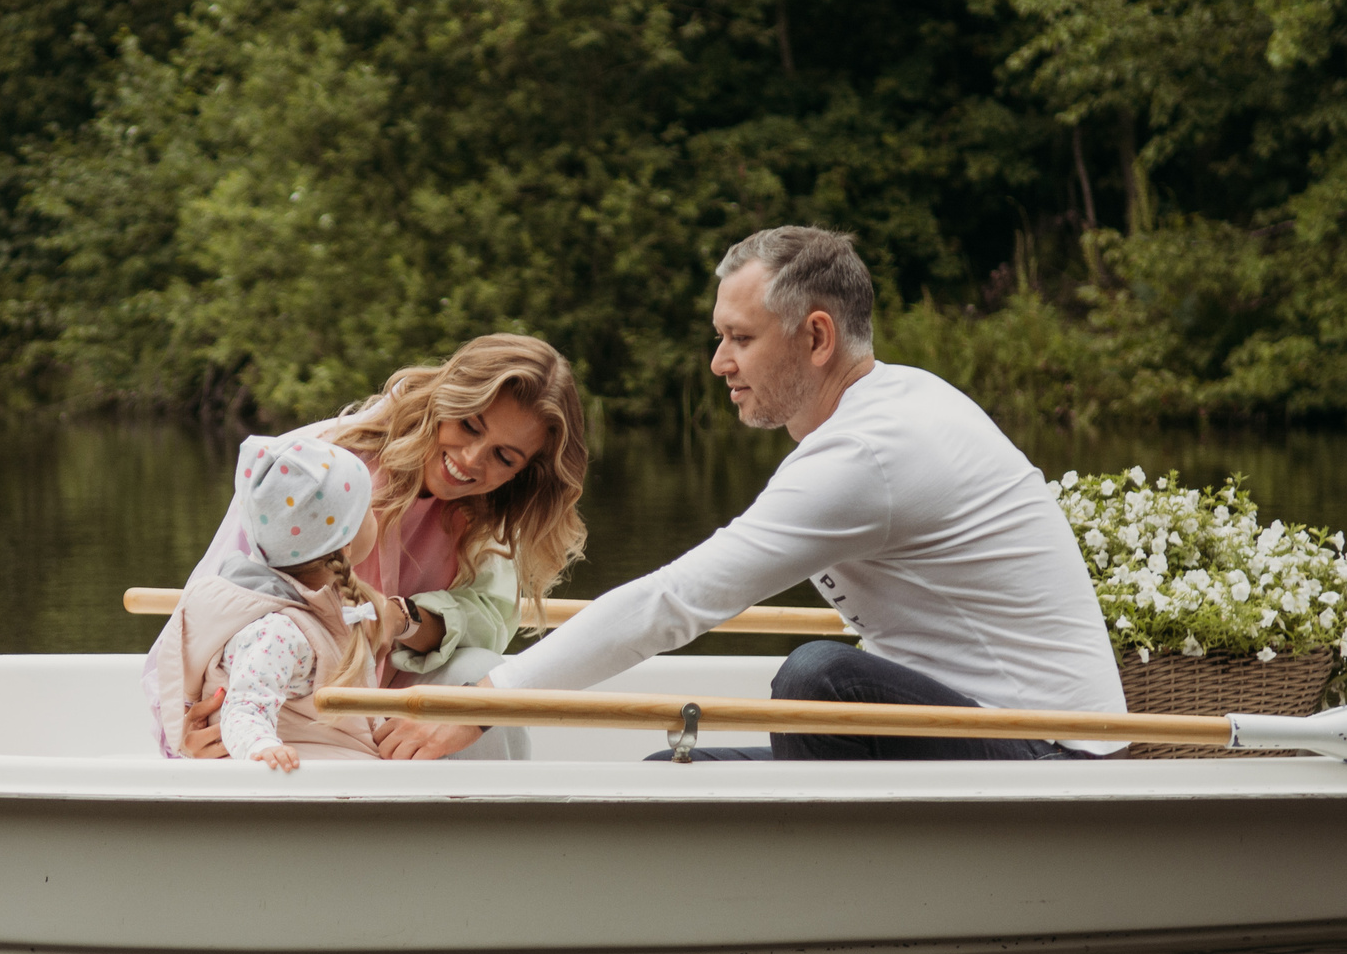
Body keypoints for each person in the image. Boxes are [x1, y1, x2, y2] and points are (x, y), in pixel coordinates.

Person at [373, 226, 1127, 763]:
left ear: (817, 337)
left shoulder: (869, 454)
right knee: (673, 775)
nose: (716, 362)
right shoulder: (889, 407)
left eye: (739, 338)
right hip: (969, 727)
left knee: (816, 679)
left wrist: (481, 702)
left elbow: (675, 602)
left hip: (1050, 752)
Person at [147, 333, 590, 760]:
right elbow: (214, 604)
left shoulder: (490, 513)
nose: (473, 458)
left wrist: (401, 618)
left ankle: (490, 827)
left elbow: (490, 620)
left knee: (478, 675)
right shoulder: (318, 465)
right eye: (469, 425)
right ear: (444, 400)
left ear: (525, 471)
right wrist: (189, 728)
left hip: (394, 718)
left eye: (504, 457)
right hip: (284, 712)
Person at [174, 434, 391, 770]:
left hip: (340, 765)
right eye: (368, 510)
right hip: (312, 777)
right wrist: (262, 747)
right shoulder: (278, 631)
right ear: (344, 543)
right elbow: (245, 709)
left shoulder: (324, 604)